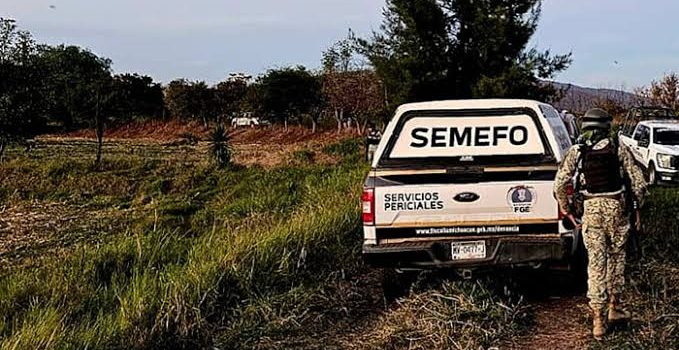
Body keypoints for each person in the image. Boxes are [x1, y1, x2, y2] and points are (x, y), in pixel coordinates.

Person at [554, 108, 646, 340]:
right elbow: (639, 183)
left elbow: (559, 184)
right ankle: (615, 307)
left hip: (591, 210)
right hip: (617, 209)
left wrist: (566, 210)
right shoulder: (617, 147)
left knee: (596, 264)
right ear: (606, 126)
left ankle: (598, 321)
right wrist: (636, 208)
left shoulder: (577, 151)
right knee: (616, 259)